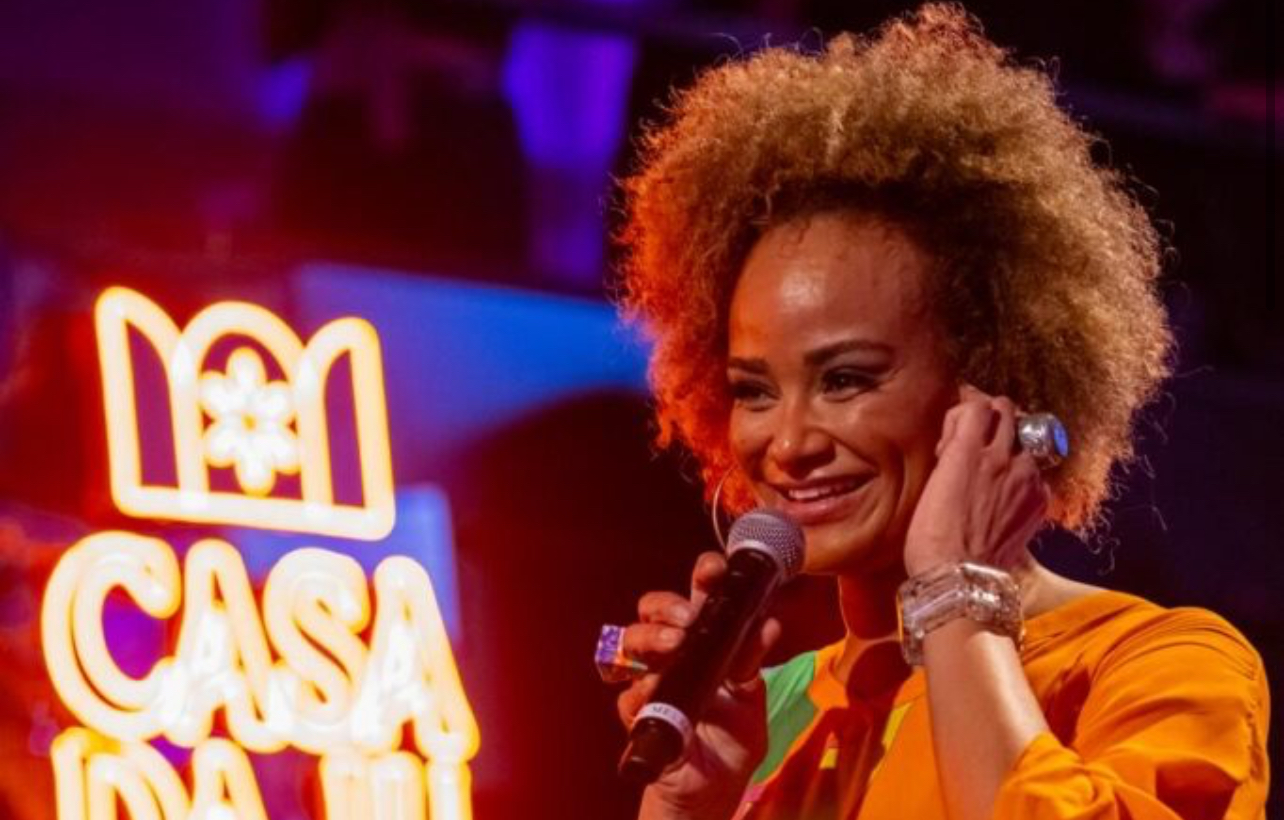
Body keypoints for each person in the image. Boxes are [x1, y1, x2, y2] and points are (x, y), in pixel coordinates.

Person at [606, 5, 1270, 819]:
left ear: (991, 381)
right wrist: (688, 806)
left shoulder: (1154, 662)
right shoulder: (764, 714)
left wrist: (955, 586)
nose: (789, 442)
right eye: (754, 390)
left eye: (845, 379)